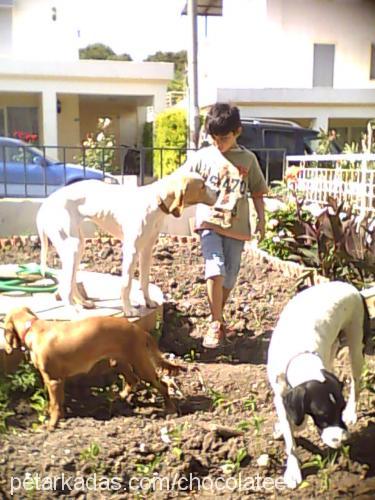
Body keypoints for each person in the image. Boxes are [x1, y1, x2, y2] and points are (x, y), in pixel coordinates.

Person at [192, 103, 268, 348]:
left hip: (237, 226)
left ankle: (217, 316)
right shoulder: (203, 157)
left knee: (230, 276)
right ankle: (215, 323)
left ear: (238, 131)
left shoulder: (248, 159)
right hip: (209, 222)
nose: (218, 143)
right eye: (213, 138)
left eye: (223, 138)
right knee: (215, 267)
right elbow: (183, 181)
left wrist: (261, 220)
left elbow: (257, 192)